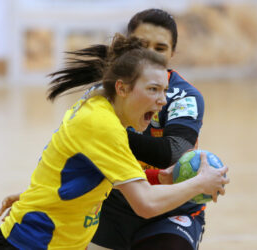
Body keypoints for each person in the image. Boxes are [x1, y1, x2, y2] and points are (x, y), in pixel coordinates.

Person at [0, 34, 228, 249]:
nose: (162, 101)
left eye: (165, 91)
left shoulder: (101, 110)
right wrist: (200, 184)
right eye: (153, 90)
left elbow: (83, 171)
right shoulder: (102, 125)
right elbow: (145, 204)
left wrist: (160, 177)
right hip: (28, 244)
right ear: (122, 88)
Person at [89, 9, 210, 250]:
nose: (150, 55)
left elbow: (174, 153)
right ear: (126, 46)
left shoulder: (184, 96)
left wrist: (105, 133)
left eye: (160, 48)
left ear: (172, 53)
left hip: (169, 210)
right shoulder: (104, 92)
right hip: (111, 206)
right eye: (141, 45)